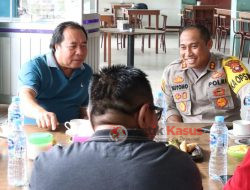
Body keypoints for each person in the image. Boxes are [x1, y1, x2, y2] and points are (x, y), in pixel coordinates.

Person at [29, 65, 203, 190]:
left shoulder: (46, 165)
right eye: (155, 113)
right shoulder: (179, 166)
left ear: (89, 117)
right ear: (144, 115)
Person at [161, 24, 250, 123]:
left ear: (209, 44)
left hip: (225, 132)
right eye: (183, 47)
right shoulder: (172, 72)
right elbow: (170, 107)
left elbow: (246, 89)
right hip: (188, 134)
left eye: (194, 46)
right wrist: (177, 132)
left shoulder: (228, 65)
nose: (188, 53)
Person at [18, 21, 93, 130]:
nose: (80, 52)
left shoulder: (86, 71)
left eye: (83, 45)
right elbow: (25, 98)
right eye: (73, 46)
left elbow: (83, 106)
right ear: (56, 46)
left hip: (71, 132)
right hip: (37, 130)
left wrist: (87, 119)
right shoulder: (35, 66)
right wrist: (40, 113)